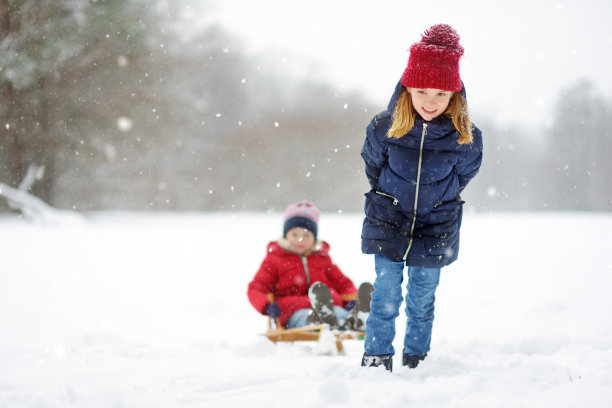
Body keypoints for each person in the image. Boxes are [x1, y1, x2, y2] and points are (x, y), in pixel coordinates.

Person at [359, 24, 483, 371]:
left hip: (436, 227)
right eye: (423, 90)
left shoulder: (466, 138)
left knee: (421, 300)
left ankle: (417, 360)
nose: (431, 101)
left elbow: (463, 176)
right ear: (407, 89)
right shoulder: (384, 128)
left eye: (442, 94)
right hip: (387, 220)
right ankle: (376, 359)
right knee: (384, 297)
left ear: (455, 97)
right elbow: (373, 167)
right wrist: (391, 197)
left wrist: (436, 200)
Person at [248, 200, 372, 331]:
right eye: (294, 234)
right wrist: (266, 306)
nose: (300, 240)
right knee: (307, 316)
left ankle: (354, 318)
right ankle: (323, 321)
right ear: (286, 235)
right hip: (293, 310)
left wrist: (351, 299)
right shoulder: (275, 259)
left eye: (306, 235)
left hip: (328, 306)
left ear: (314, 237)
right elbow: (256, 288)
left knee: (336, 311)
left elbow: (343, 284)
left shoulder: (322, 258)